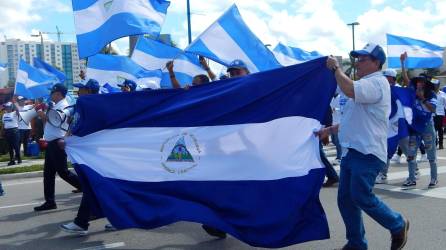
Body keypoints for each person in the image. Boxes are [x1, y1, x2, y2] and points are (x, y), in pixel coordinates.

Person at [319, 43, 408, 250]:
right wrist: (329, 130)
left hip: (367, 153)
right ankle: (357, 243)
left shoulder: (377, 83)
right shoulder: (366, 84)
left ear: (376, 63)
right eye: (357, 58)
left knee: (360, 195)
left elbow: (349, 89)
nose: (357, 62)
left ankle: (397, 223)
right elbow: (353, 121)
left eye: (362, 59)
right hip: (354, 151)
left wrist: (335, 68)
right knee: (346, 201)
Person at [34, 84, 82, 211]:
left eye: (53, 92)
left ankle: (86, 188)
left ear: (59, 93)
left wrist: (41, 114)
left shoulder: (64, 105)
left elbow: (57, 121)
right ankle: (50, 202)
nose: (51, 94)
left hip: (58, 142)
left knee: (63, 172)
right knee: (48, 174)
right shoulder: (56, 105)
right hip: (52, 142)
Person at [433, 78, 446, 149]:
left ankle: (441, 144)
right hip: (432, 114)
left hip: (440, 114)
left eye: (435, 85)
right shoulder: (430, 93)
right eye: (433, 85)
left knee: (440, 130)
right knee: (433, 130)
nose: (434, 86)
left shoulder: (443, 94)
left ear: (438, 85)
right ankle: (435, 142)